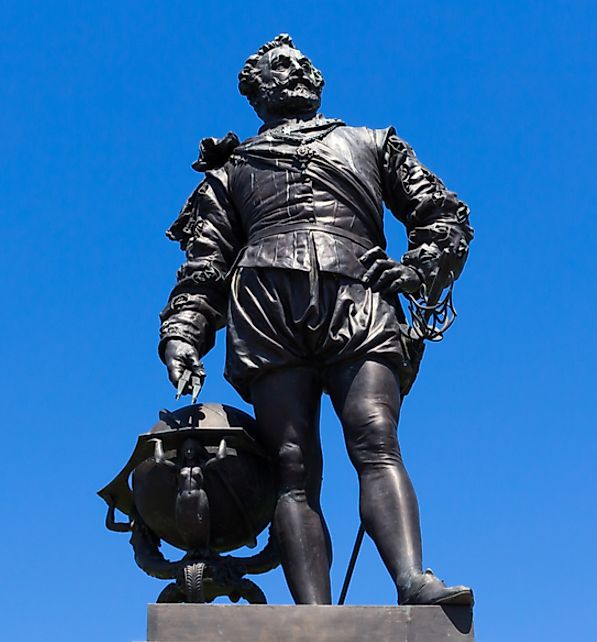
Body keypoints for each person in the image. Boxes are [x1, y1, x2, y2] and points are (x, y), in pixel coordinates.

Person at [157, 33, 473, 606]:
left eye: (304, 62)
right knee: (292, 464)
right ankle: (313, 617)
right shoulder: (229, 174)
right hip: (266, 309)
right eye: (281, 66)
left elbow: (442, 214)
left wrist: (417, 267)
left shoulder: (373, 144)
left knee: (375, 435)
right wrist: (183, 333)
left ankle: (411, 580)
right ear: (257, 93)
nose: (299, 68)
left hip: (359, 296)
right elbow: (204, 264)